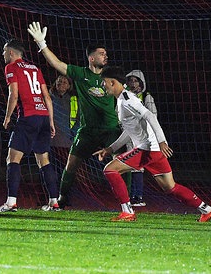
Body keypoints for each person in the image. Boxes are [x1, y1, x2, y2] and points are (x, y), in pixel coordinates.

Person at [94, 66, 211, 222]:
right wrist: (111, 148)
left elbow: (150, 116)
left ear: (113, 82)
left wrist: (162, 141)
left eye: (104, 82)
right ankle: (207, 209)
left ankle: (127, 212)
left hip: (147, 148)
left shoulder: (127, 100)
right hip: (153, 150)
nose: (103, 86)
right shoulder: (123, 100)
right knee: (170, 187)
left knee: (110, 170)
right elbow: (130, 131)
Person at [27, 22, 123, 209]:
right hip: (87, 131)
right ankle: (61, 201)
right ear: (91, 57)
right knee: (71, 164)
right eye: (101, 53)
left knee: (122, 164)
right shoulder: (81, 74)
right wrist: (42, 44)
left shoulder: (112, 75)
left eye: (105, 53)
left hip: (111, 129)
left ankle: (126, 203)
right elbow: (56, 64)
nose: (106, 56)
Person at [0, 39, 58, 212]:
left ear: (12, 53)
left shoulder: (11, 68)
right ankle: (54, 201)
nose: (3, 54)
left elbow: (14, 95)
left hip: (28, 117)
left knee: (12, 159)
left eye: (4, 51)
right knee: (43, 160)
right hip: (43, 116)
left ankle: (11, 202)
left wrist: (7, 117)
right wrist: (50, 121)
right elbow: (47, 97)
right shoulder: (35, 68)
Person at [125, 69, 158, 207]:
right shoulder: (125, 97)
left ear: (141, 83)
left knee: (139, 166)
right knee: (130, 165)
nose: (133, 83)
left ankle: (138, 197)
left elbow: (153, 116)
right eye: (130, 80)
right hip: (128, 134)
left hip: (142, 136)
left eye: (135, 81)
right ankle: (131, 195)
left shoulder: (146, 97)